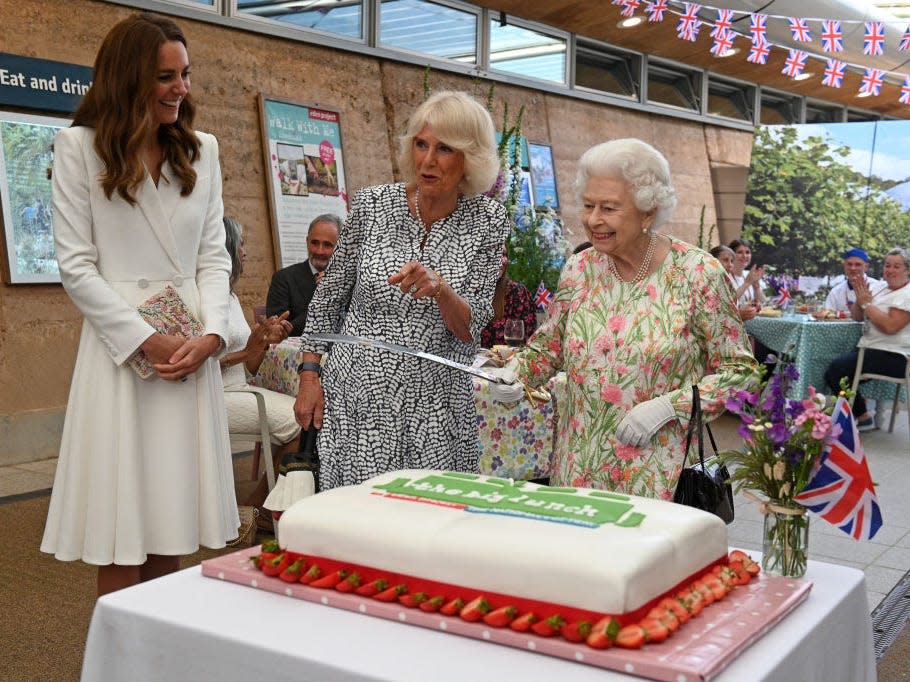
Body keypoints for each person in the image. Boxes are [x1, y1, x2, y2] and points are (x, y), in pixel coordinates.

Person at [40, 13, 238, 596]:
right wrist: (146, 339)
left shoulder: (203, 151)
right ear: (128, 79)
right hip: (123, 354)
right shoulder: (79, 147)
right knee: (123, 527)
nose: (182, 88)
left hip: (190, 349)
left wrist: (212, 337)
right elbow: (76, 267)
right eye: (165, 76)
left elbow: (214, 257)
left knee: (173, 520)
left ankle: (159, 654)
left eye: (185, 74)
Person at [495, 138, 760, 499]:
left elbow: (741, 374)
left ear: (648, 211)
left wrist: (670, 407)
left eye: (609, 208)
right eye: (588, 205)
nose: (593, 220)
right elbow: (548, 348)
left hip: (657, 481)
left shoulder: (697, 274)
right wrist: (517, 374)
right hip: (576, 473)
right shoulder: (579, 268)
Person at [293, 90, 510, 490]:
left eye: (444, 149)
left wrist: (442, 290)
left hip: (436, 405)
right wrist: (309, 375)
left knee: (426, 525)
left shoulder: (489, 220)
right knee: (358, 522)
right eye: (421, 144)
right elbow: (328, 299)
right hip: (358, 397)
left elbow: (472, 329)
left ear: (470, 158)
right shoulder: (373, 204)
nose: (427, 160)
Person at [220, 217, 298, 508]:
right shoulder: (204, 298)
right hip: (216, 397)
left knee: (305, 412)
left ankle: (265, 503)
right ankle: (259, 507)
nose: (245, 253)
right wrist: (249, 349)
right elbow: (199, 365)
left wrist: (265, 339)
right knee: (302, 420)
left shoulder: (229, 296)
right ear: (225, 249)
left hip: (239, 388)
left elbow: (249, 367)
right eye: (240, 245)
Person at [825, 248, 910, 432]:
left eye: (897, 266)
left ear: (908, 270)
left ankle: (860, 416)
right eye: (888, 265)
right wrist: (859, 298)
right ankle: (856, 415)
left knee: (837, 370)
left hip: (894, 356)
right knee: (837, 367)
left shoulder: (907, 294)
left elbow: (890, 326)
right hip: (871, 349)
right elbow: (857, 316)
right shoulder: (880, 287)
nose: (890, 270)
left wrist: (867, 304)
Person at [266, 214, 341, 336]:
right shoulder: (284, 279)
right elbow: (279, 331)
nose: (319, 251)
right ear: (307, 242)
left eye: (327, 245)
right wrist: (323, 297)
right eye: (314, 243)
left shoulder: (351, 282)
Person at [480, 247, 537, 348]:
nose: (503, 260)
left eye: (504, 254)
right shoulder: (466, 292)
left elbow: (530, 340)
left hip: (507, 362)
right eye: (496, 253)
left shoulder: (517, 292)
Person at [824, 247, 884, 312]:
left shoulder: (879, 288)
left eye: (858, 264)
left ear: (866, 267)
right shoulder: (836, 292)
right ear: (844, 266)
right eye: (849, 264)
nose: (853, 268)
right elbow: (827, 314)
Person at [710, 244, 756, 321]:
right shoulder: (709, 283)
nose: (730, 265)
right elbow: (712, 316)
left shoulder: (725, 281)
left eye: (731, 261)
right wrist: (738, 315)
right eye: (725, 260)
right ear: (713, 261)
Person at [729, 238, 766, 307]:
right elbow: (728, 302)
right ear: (731, 255)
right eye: (740, 252)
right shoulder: (725, 276)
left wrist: (756, 287)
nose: (744, 256)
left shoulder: (749, 274)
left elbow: (763, 302)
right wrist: (747, 283)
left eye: (747, 252)